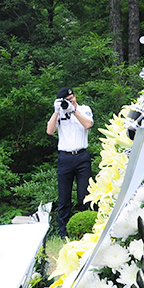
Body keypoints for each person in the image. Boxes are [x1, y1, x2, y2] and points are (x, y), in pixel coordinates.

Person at [46, 86, 93, 238]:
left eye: (72, 99)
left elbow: (88, 124)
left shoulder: (84, 109)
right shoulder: (59, 112)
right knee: (64, 197)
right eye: (68, 100)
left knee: (84, 195)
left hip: (82, 157)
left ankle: (86, 231)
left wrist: (73, 111)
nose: (71, 101)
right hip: (65, 158)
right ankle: (63, 233)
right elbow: (49, 131)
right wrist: (57, 111)